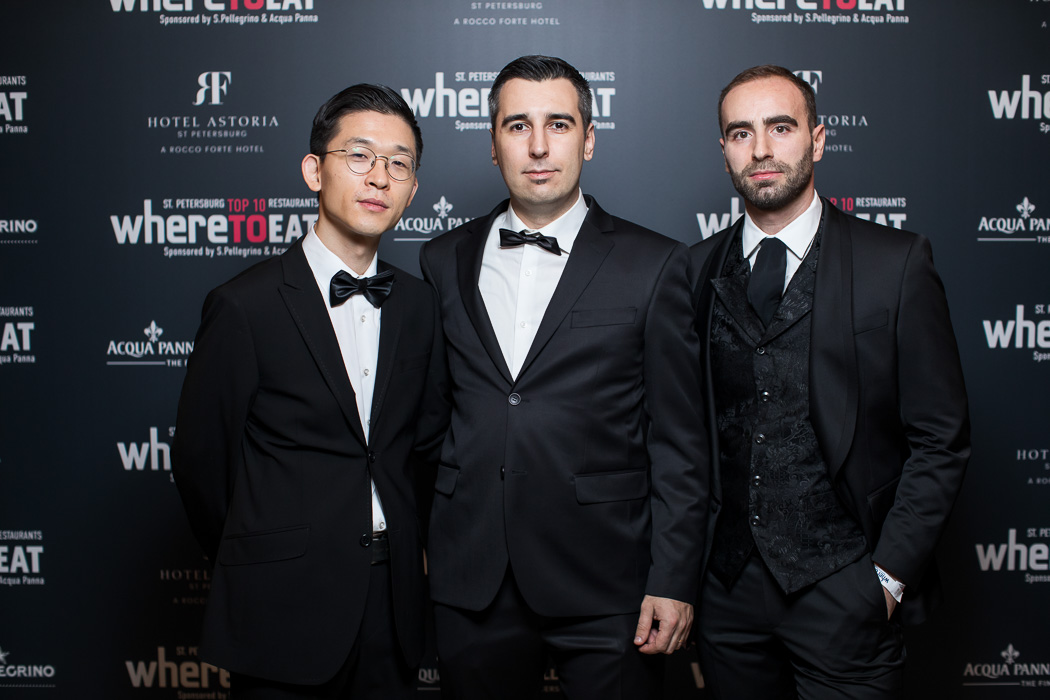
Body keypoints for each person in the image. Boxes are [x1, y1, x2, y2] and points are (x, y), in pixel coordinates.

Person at [419, 55, 707, 699]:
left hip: (610, 580)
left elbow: (680, 442)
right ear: (493, 143)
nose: (539, 146)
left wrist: (673, 576)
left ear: (589, 138)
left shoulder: (655, 263)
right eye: (518, 125)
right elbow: (429, 423)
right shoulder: (442, 259)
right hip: (473, 577)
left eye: (559, 124)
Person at [691, 64, 970, 699]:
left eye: (781, 127)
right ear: (724, 149)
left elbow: (941, 438)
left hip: (846, 587)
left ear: (817, 140)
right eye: (741, 133)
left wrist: (887, 579)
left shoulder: (895, 263)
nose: (761, 149)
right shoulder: (693, 270)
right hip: (726, 597)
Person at [172, 84, 448, 700]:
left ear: (412, 190)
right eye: (359, 155)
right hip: (281, 603)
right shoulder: (243, 306)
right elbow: (201, 466)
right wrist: (263, 556)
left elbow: (424, 450)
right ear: (314, 171)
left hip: (393, 604)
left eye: (398, 163)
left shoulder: (421, 306)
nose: (379, 177)